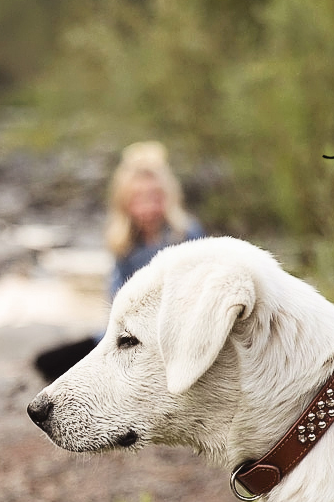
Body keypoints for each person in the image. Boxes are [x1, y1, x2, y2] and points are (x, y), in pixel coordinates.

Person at [35, 141, 206, 383]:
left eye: (154, 197)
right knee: (47, 363)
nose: (147, 207)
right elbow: (115, 299)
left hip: (172, 334)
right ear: (125, 202)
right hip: (127, 334)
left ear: (168, 197)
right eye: (138, 199)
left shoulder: (186, 233)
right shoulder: (123, 242)